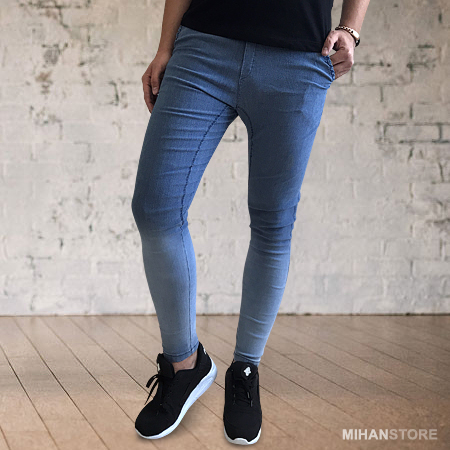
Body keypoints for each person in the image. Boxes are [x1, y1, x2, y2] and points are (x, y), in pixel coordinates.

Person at [132, 0, 370, 444]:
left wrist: (351, 29)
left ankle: (245, 369)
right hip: (203, 47)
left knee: (273, 223)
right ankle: (184, 365)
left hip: (299, 58)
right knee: (154, 207)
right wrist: (165, 47)